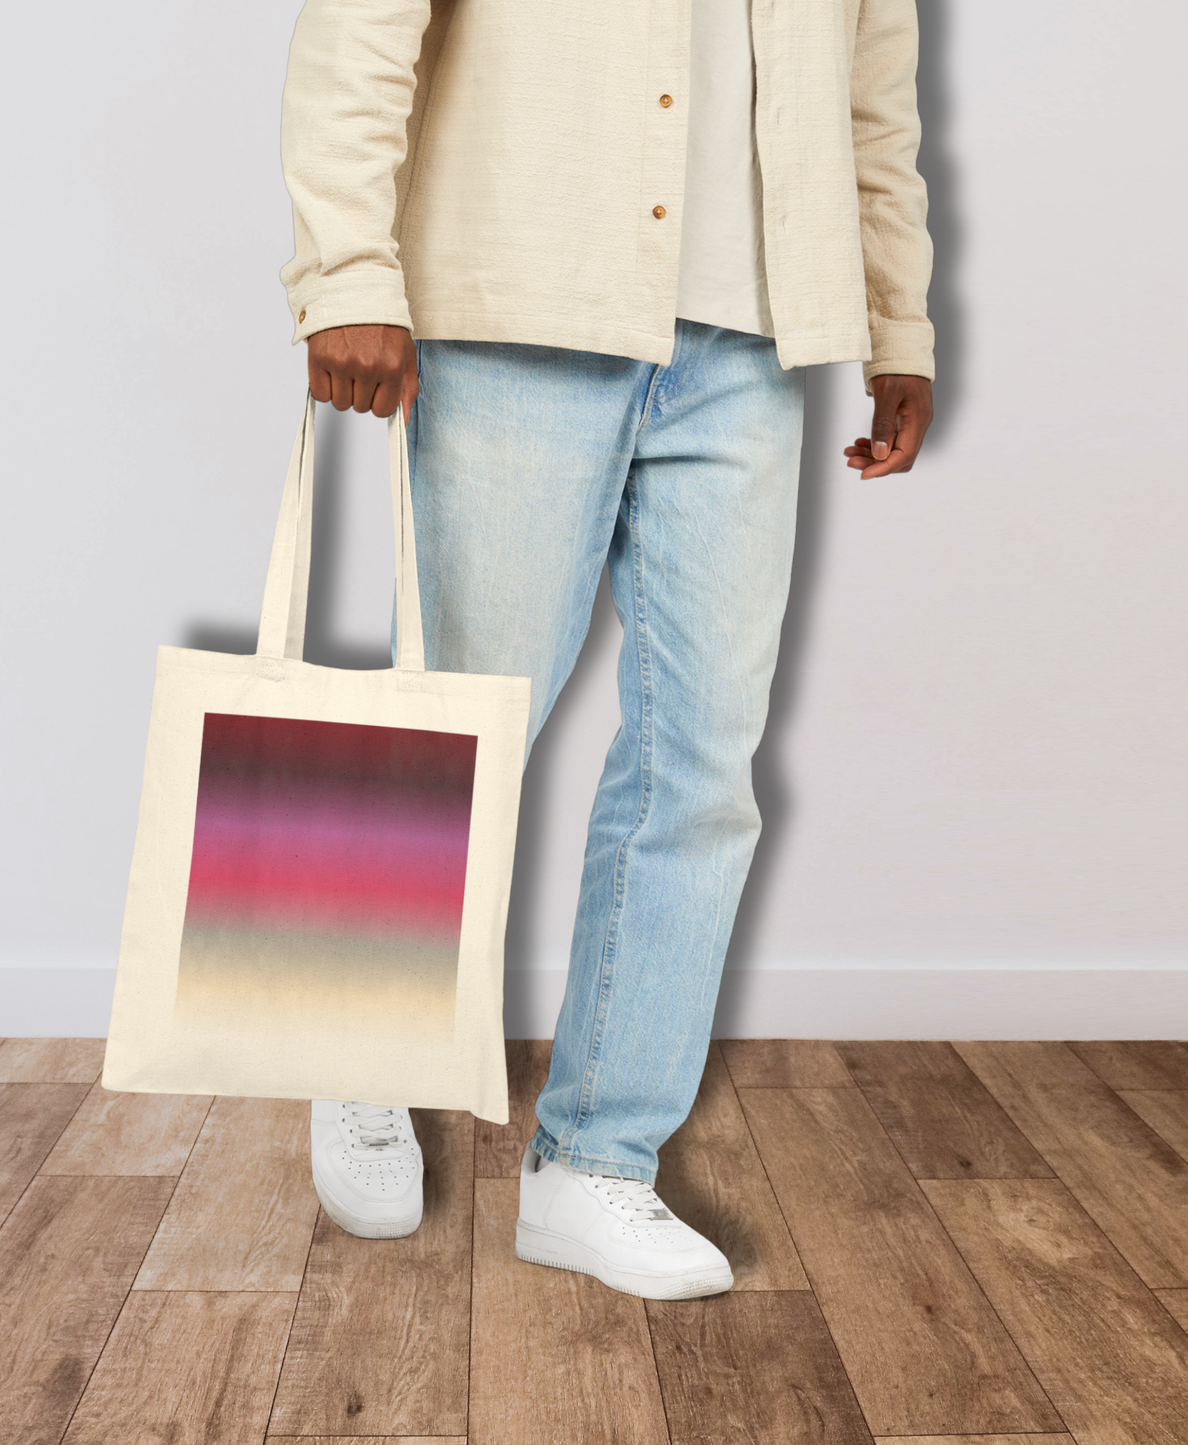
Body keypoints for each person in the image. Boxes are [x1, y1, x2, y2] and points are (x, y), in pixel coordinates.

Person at [280, 0, 934, 1299]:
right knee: (458, 736)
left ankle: (599, 1160)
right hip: (522, 306)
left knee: (705, 763)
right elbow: (360, 28)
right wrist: (346, 270)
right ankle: (365, 1063)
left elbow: (875, 84)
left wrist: (894, 317)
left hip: (750, 349)